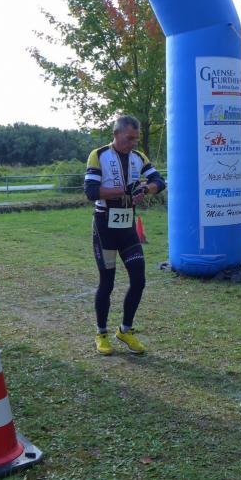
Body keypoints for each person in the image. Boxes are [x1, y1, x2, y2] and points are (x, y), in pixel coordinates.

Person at [84, 115, 166, 355]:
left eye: (136, 139)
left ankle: (125, 330)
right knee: (107, 283)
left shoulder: (139, 157)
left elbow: (159, 181)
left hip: (127, 226)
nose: (133, 143)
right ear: (116, 134)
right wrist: (124, 190)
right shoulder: (98, 155)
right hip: (105, 226)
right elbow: (91, 191)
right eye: (129, 138)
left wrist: (146, 188)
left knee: (139, 280)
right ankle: (101, 334)